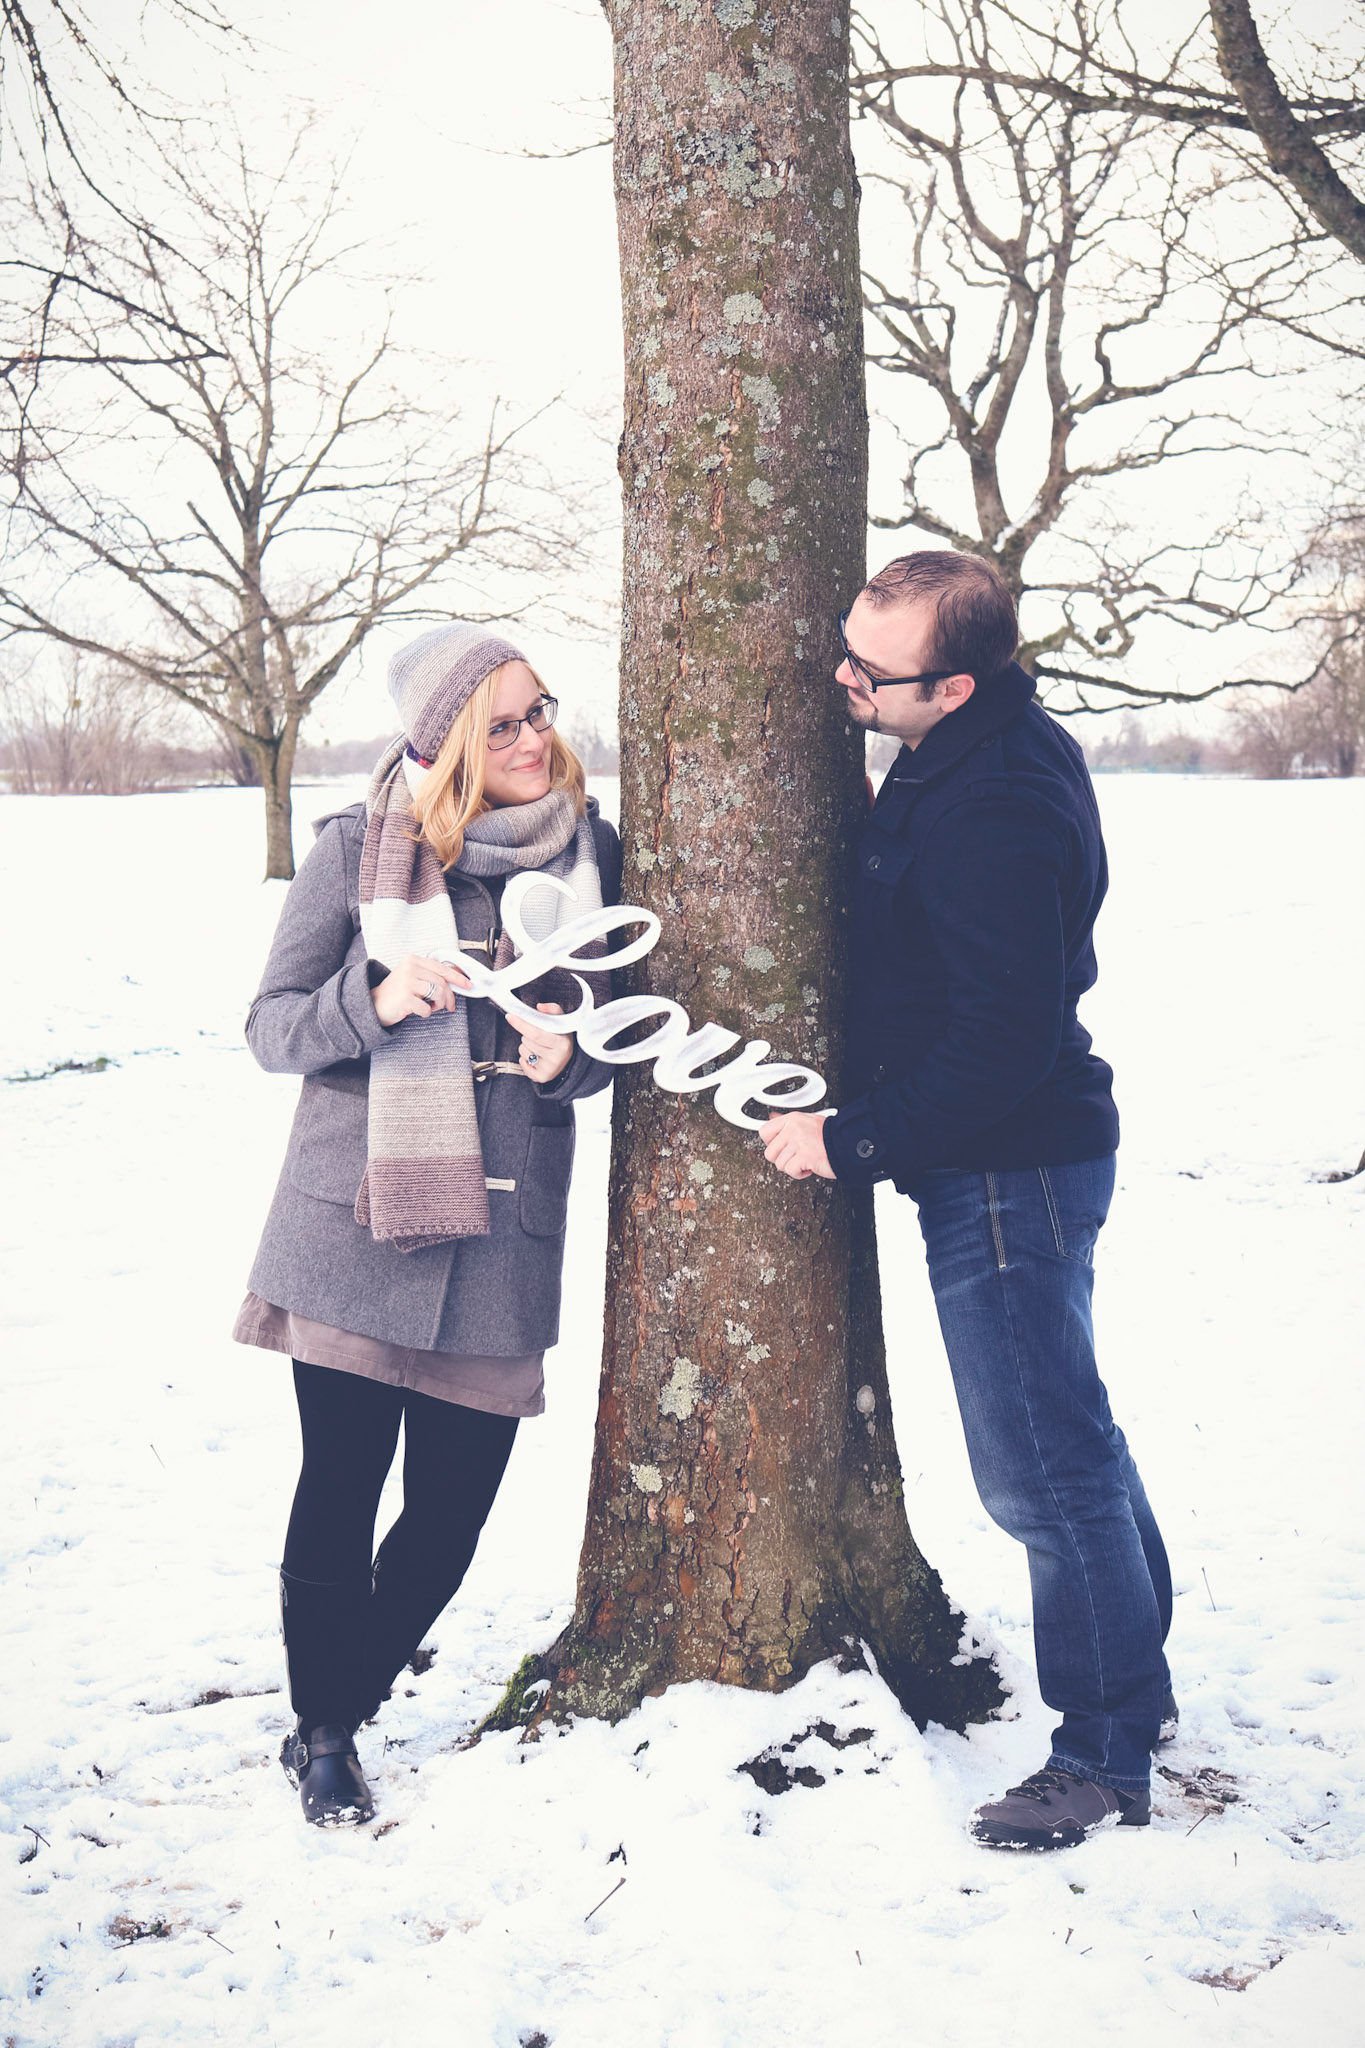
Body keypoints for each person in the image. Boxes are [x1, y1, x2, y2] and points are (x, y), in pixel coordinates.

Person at [761, 551, 1174, 1852]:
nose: (840, 679)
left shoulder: (994, 801)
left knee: (1042, 1474)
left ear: (954, 685)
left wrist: (851, 1140)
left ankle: (1102, 1754)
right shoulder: (963, 749)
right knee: (1076, 1442)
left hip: (1009, 1170)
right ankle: (1140, 1692)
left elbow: (1002, 1041)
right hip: (1017, 1157)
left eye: (868, 671)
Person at [233, 623, 621, 1826]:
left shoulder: (595, 855)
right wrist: (377, 992)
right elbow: (271, 1023)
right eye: (500, 725)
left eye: (538, 710)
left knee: (448, 1517)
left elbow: (618, 1029)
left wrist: (568, 1057)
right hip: (355, 1225)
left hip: (501, 1241)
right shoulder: (357, 849)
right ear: (446, 743)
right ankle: (326, 1736)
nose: (532, 738)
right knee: (340, 1485)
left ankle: (335, 1697)